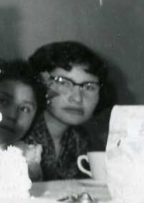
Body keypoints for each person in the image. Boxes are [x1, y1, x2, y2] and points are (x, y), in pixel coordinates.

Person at [24, 40, 110, 181]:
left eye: (89, 87)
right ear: (40, 84)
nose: (77, 98)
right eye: (63, 82)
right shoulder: (19, 134)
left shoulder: (80, 141)